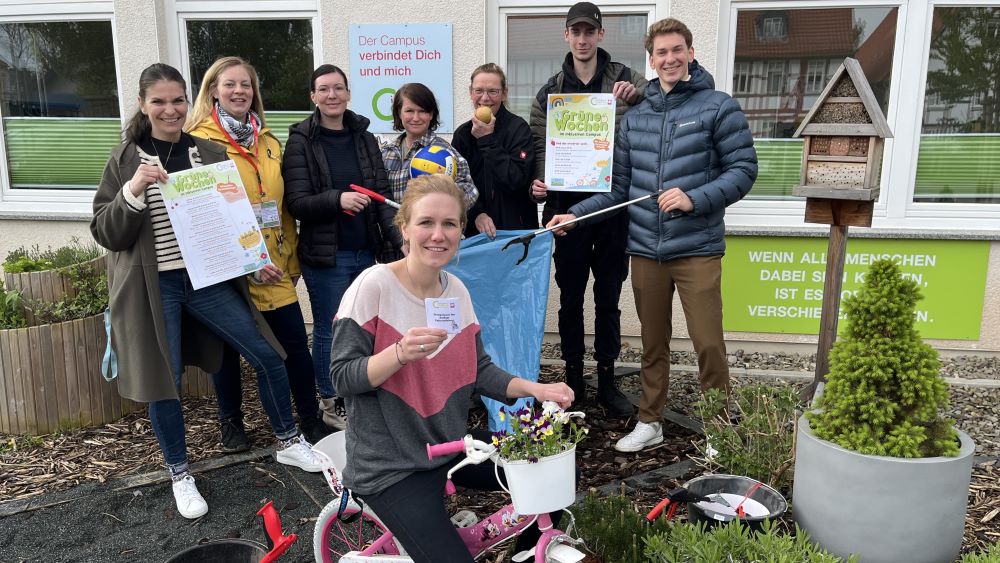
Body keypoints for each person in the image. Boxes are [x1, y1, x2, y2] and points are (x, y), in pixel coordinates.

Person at [91, 63, 322, 520]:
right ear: (143, 105)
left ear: (187, 100)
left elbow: (233, 219)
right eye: (159, 101)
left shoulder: (207, 154)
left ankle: (289, 441)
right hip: (154, 288)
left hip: (208, 279)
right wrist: (135, 189)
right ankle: (180, 473)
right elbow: (105, 231)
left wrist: (254, 265)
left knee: (269, 356)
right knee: (166, 381)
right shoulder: (125, 160)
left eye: (177, 100)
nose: (170, 109)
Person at [329, 174, 574, 562]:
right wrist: (399, 353)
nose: (438, 235)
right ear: (404, 227)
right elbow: (342, 377)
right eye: (426, 222)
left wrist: (538, 389)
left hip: (449, 448)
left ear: (462, 229)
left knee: (549, 482)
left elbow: (479, 370)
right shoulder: (372, 286)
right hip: (391, 466)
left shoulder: (456, 291)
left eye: (449, 224)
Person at [546, 18, 757, 452]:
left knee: (707, 343)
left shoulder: (718, 106)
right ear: (651, 60)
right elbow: (619, 190)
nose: (670, 58)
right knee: (652, 342)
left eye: (677, 50)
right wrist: (574, 215)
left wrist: (694, 198)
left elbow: (744, 171)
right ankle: (650, 420)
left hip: (696, 247)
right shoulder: (636, 118)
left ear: (690, 53)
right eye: (661, 52)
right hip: (645, 248)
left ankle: (717, 425)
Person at [186, 57, 332, 447]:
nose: (239, 92)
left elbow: (281, 207)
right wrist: (249, 264)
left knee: (295, 347)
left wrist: (291, 260)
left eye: (246, 85)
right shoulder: (198, 142)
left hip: (276, 266)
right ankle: (231, 424)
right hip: (230, 270)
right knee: (229, 352)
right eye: (230, 84)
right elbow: (204, 216)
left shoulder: (268, 141)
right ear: (213, 89)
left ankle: (309, 419)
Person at [528, 1, 647, 416]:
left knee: (609, 296)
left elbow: (659, 110)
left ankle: (608, 380)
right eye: (574, 32)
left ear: (600, 35)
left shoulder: (626, 80)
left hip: (615, 207)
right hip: (565, 211)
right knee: (571, 298)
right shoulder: (551, 90)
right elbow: (539, 143)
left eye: (588, 32)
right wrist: (538, 181)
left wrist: (640, 95)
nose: (581, 39)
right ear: (566, 36)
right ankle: (574, 377)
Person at [282, 64, 403, 430]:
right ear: (313, 97)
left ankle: (358, 389)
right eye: (323, 89)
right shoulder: (301, 140)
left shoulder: (363, 137)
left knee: (364, 326)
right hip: (326, 256)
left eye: (338, 88)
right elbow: (297, 202)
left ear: (349, 93)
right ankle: (330, 399)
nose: (331, 95)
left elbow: (381, 196)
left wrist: (399, 243)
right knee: (330, 329)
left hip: (366, 251)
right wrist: (338, 200)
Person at [452, 63, 536, 238]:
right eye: (479, 91)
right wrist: (476, 213)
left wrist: (486, 140)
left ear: (504, 93)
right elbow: (456, 184)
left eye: (493, 91)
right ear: (470, 92)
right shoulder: (462, 134)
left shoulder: (518, 129)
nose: (485, 98)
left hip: (514, 233)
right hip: (475, 233)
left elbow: (515, 180)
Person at [380, 82, 477, 209]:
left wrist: (442, 191)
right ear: (399, 113)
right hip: (393, 227)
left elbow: (471, 192)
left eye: (422, 111)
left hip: (430, 227)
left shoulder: (445, 151)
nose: (416, 118)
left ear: (431, 114)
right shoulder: (387, 152)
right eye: (409, 111)